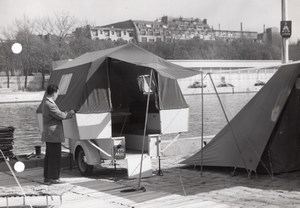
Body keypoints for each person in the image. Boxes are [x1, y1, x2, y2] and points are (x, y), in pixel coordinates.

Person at [41, 84, 75, 185]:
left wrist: (63, 113)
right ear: (54, 93)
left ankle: (47, 177)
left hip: (50, 135)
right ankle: (54, 178)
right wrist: (70, 113)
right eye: (57, 93)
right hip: (53, 135)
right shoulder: (50, 104)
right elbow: (61, 116)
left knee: (49, 156)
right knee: (55, 157)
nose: (57, 96)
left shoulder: (46, 103)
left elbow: (58, 114)